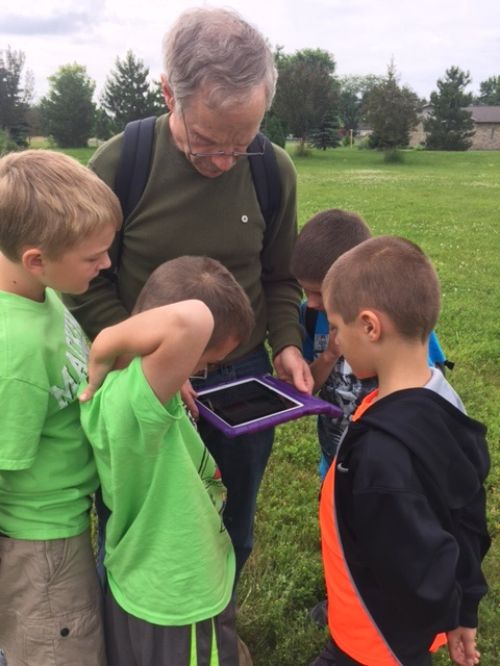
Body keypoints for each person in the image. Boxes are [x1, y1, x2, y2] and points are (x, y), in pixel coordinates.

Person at [65, 6, 312, 579]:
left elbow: (280, 276)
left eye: (241, 143)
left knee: (231, 518)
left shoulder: (272, 170)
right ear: (168, 94)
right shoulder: (122, 163)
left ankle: (215, 626)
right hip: (144, 378)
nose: (224, 160)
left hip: (242, 372)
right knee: (133, 519)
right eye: (206, 142)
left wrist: (289, 342)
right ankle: (128, 629)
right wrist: (149, 363)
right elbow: (87, 283)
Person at [313, 236, 490, 666]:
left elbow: (419, 570)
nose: (333, 339)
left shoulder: (381, 456)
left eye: (336, 327)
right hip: (381, 636)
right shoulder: (442, 403)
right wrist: (465, 607)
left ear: (370, 326)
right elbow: (468, 513)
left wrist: (447, 609)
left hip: (371, 643)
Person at [78, 256, 256, 666]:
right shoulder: (135, 402)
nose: (200, 369)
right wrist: (108, 340)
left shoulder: (138, 390)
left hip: (150, 581)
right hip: (178, 597)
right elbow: (192, 320)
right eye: (202, 360)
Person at [0, 150, 122, 664]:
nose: (106, 264)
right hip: (42, 543)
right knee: (60, 649)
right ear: (36, 258)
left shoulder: (38, 292)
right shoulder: (18, 349)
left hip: (63, 522)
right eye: (93, 257)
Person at [291, 209, 449, 481]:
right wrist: (329, 355)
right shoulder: (310, 316)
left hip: (390, 465)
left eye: (319, 292)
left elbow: (428, 387)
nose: (313, 301)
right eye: (305, 291)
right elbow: (309, 386)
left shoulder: (398, 324)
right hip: (335, 460)